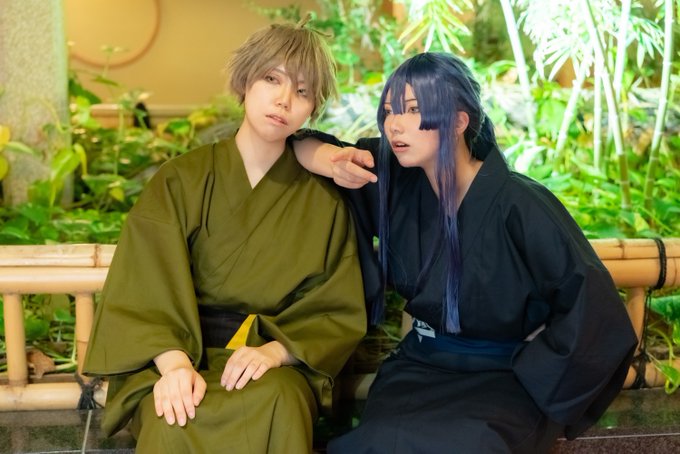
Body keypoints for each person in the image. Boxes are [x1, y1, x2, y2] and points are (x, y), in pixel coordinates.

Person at [293, 52, 638, 453]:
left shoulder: (520, 203)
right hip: (420, 368)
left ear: (459, 121)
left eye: (413, 110)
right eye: (388, 111)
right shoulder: (393, 182)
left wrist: (538, 374)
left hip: (503, 379)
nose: (394, 124)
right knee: (376, 443)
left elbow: (592, 306)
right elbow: (300, 144)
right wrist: (331, 160)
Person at [82, 18, 366, 454]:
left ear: (313, 108)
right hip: (179, 354)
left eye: (303, 91)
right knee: (173, 415)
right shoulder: (180, 179)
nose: (284, 99)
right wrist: (173, 365)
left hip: (270, 363)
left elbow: (333, 309)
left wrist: (275, 353)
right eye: (272, 79)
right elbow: (142, 285)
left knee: (280, 401)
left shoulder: (323, 200)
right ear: (245, 81)